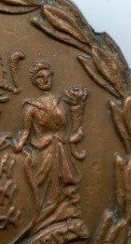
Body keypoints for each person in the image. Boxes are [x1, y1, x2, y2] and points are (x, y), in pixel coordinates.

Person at [14, 62, 87, 226]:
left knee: (65, 185)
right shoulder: (31, 107)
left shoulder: (60, 102)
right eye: (40, 77)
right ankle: (41, 220)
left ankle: (64, 218)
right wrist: (18, 145)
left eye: (48, 76)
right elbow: (25, 132)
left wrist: (78, 107)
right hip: (42, 151)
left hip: (61, 148)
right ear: (36, 82)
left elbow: (71, 130)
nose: (45, 80)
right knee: (41, 186)